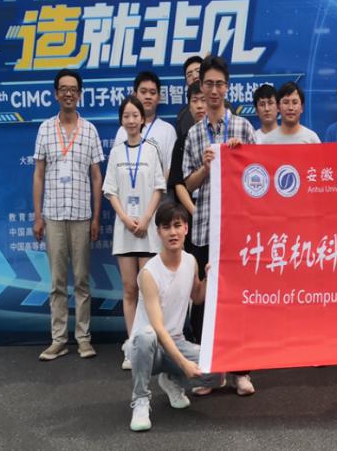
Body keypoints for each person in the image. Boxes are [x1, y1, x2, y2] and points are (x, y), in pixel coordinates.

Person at [183, 55, 257, 396]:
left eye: (219, 84)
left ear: (227, 88)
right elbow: (188, 183)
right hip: (203, 229)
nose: (214, 90)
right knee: (203, 303)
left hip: (237, 231)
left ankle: (241, 371)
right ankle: (211, 373)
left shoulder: (243, 128)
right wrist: (205, 167)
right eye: (208, 84)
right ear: (201, 87)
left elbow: (258, 178)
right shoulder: (194, 133)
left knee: (238, 301)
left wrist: (241, 159)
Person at [127, 202, 222, 432]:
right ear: (158, 232)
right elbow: (158, 328)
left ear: (186, 229)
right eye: (166, 227)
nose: (173, 232)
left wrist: (208, 278)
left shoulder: (190, 261)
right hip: (149, 346)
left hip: (176, 342)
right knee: (146, 335)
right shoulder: (149, 273)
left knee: (217, 374)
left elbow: (197, 297)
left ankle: (171, 379)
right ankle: (141, 400)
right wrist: (184, 364)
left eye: (177, 226)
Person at [32, 69, 104, 361]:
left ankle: (83, 339)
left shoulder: (90, 130)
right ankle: (59, 339)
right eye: (63, 88)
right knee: (57, 283)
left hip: (81, 216)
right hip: (53, 215)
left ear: (80, 94)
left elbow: (97, 176)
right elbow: (38, 174)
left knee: (82, 281)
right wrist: (38, 216)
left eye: (73, 89)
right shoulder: (45, 129)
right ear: (56, 94)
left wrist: (96, 217)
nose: (68, 93)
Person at [104, 95, 167, 370]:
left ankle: (149, 346)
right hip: (125, 229)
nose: (131, 120)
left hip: (147, 229)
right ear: (122, 120)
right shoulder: (116, 152)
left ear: (142, 119)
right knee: (130, 288)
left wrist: (146, 218)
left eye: (135, 115)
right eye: (126, 116)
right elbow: (111, 191)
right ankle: (132, 347)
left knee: (147, 291)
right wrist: (125, 218)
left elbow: (158, 188)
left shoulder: (151, 150)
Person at [114, 71, 176, 187]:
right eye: (143, 92)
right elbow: (115, 168)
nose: (148, 96)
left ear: (159, 98)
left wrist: (156, 194)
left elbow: (170, 168)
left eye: (152, 92)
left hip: (158, 196)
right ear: (135, 95)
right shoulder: (123, 130)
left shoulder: (168, 130)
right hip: (126, 194)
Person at [169, 82, 206, 221]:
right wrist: (195, 212)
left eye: (203, 100)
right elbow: (178, 183)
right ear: (189, 107)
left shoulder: (220, 137)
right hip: (190, 215)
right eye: (194, 101)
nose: (199, 105)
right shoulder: (182, 141)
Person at [173, 55, 205, 140]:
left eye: (198, 71)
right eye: (189, 74)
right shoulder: (182, 116)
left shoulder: (223, 107)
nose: (195, 76)